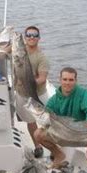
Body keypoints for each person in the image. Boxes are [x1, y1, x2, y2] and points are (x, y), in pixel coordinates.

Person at [34, 67, 87, 169]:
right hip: (62, 134)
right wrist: (43, 123)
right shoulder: (53, 100)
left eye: (71, 80)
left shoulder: (83, 94)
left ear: (75, 81)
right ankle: (58, 153)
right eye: (65, 79)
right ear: (60, 80)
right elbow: (46, 116)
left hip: (79, 134)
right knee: (38, 134)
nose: (67, 83)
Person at [16, 25, 49, 158]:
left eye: (34, 35)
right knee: (30, 122)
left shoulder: (41, 57)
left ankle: (53, 144)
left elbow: (42, 79)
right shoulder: (18, 53)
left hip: (38, 94)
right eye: (28, 35)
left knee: (47, 122)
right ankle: (38, 146)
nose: (31, 37)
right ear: (24, 38)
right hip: (21, 94)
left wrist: (27, 81)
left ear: (39, 38)